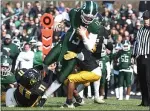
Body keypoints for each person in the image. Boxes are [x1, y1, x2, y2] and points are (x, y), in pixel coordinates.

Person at [38, 1, 104, 107]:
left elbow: (90, 47)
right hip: (64, 44)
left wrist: (84, 36)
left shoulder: (94, 26)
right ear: (82, 12)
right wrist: (56, 22)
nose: (88, 20)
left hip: (74, 52)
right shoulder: (75, 12)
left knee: (62, 77)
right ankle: (43, 81)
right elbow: (62, 15)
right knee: (46, 61)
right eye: (86, 17)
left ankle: (44, 97)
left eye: (90, 18)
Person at [132, 10, 150, 106]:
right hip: (140, 57)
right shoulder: (140, 31)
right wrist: (133, 55)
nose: (146, 20)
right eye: (144, 19)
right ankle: (145, 101)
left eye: (147, 18)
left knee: (148, 79)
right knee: (141, 80)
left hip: (149, 57)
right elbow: (136, 43)